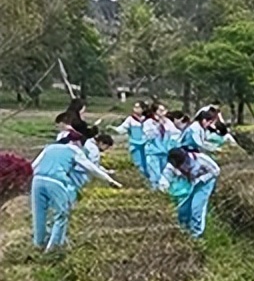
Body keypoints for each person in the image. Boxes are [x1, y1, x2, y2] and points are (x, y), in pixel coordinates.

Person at [30, 123, 122, 251]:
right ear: (77, 142)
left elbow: (33, 165)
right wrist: (110, 180)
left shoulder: (49, 148)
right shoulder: (75, 151)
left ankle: (38, 244)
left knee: (39, 214)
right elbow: (91, 168)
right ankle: (52, 249)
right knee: (61, 215)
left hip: (37, 181)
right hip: (56, 182)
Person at [159, 147, 220, 238]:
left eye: (182, 164)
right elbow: (165, 178)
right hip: (189, 183)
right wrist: (164, 188)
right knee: (183, 208)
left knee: (196, 207)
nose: (181, 167)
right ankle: (184, 229)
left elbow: (216, 171)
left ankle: (196, 233)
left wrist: (201, 179)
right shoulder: (171, 166)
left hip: (204, 184)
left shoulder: (201, 159)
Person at [142, 103, 179, 190]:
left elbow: (176, 133)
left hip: (165, 151)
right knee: (155, 173)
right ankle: (155, 189)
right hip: (153, 152)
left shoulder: (168, 122)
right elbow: (149, 136)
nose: (163, 113)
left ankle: (164, 189)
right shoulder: (148, 123)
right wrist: (157, 126)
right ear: (155, 112)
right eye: (161, 110)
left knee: (165, 172)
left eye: (164, 110)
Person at [113, 101, 148, 177]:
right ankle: (142, 178)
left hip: (146, 144)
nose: (135, 109)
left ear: (143, 109)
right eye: (135, 107)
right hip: (135, 144)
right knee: (138, 163)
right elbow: (123, 128)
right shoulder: (131, 119)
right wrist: (114, 129)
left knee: (147, 162)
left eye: (138, 107)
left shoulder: (147, 119)